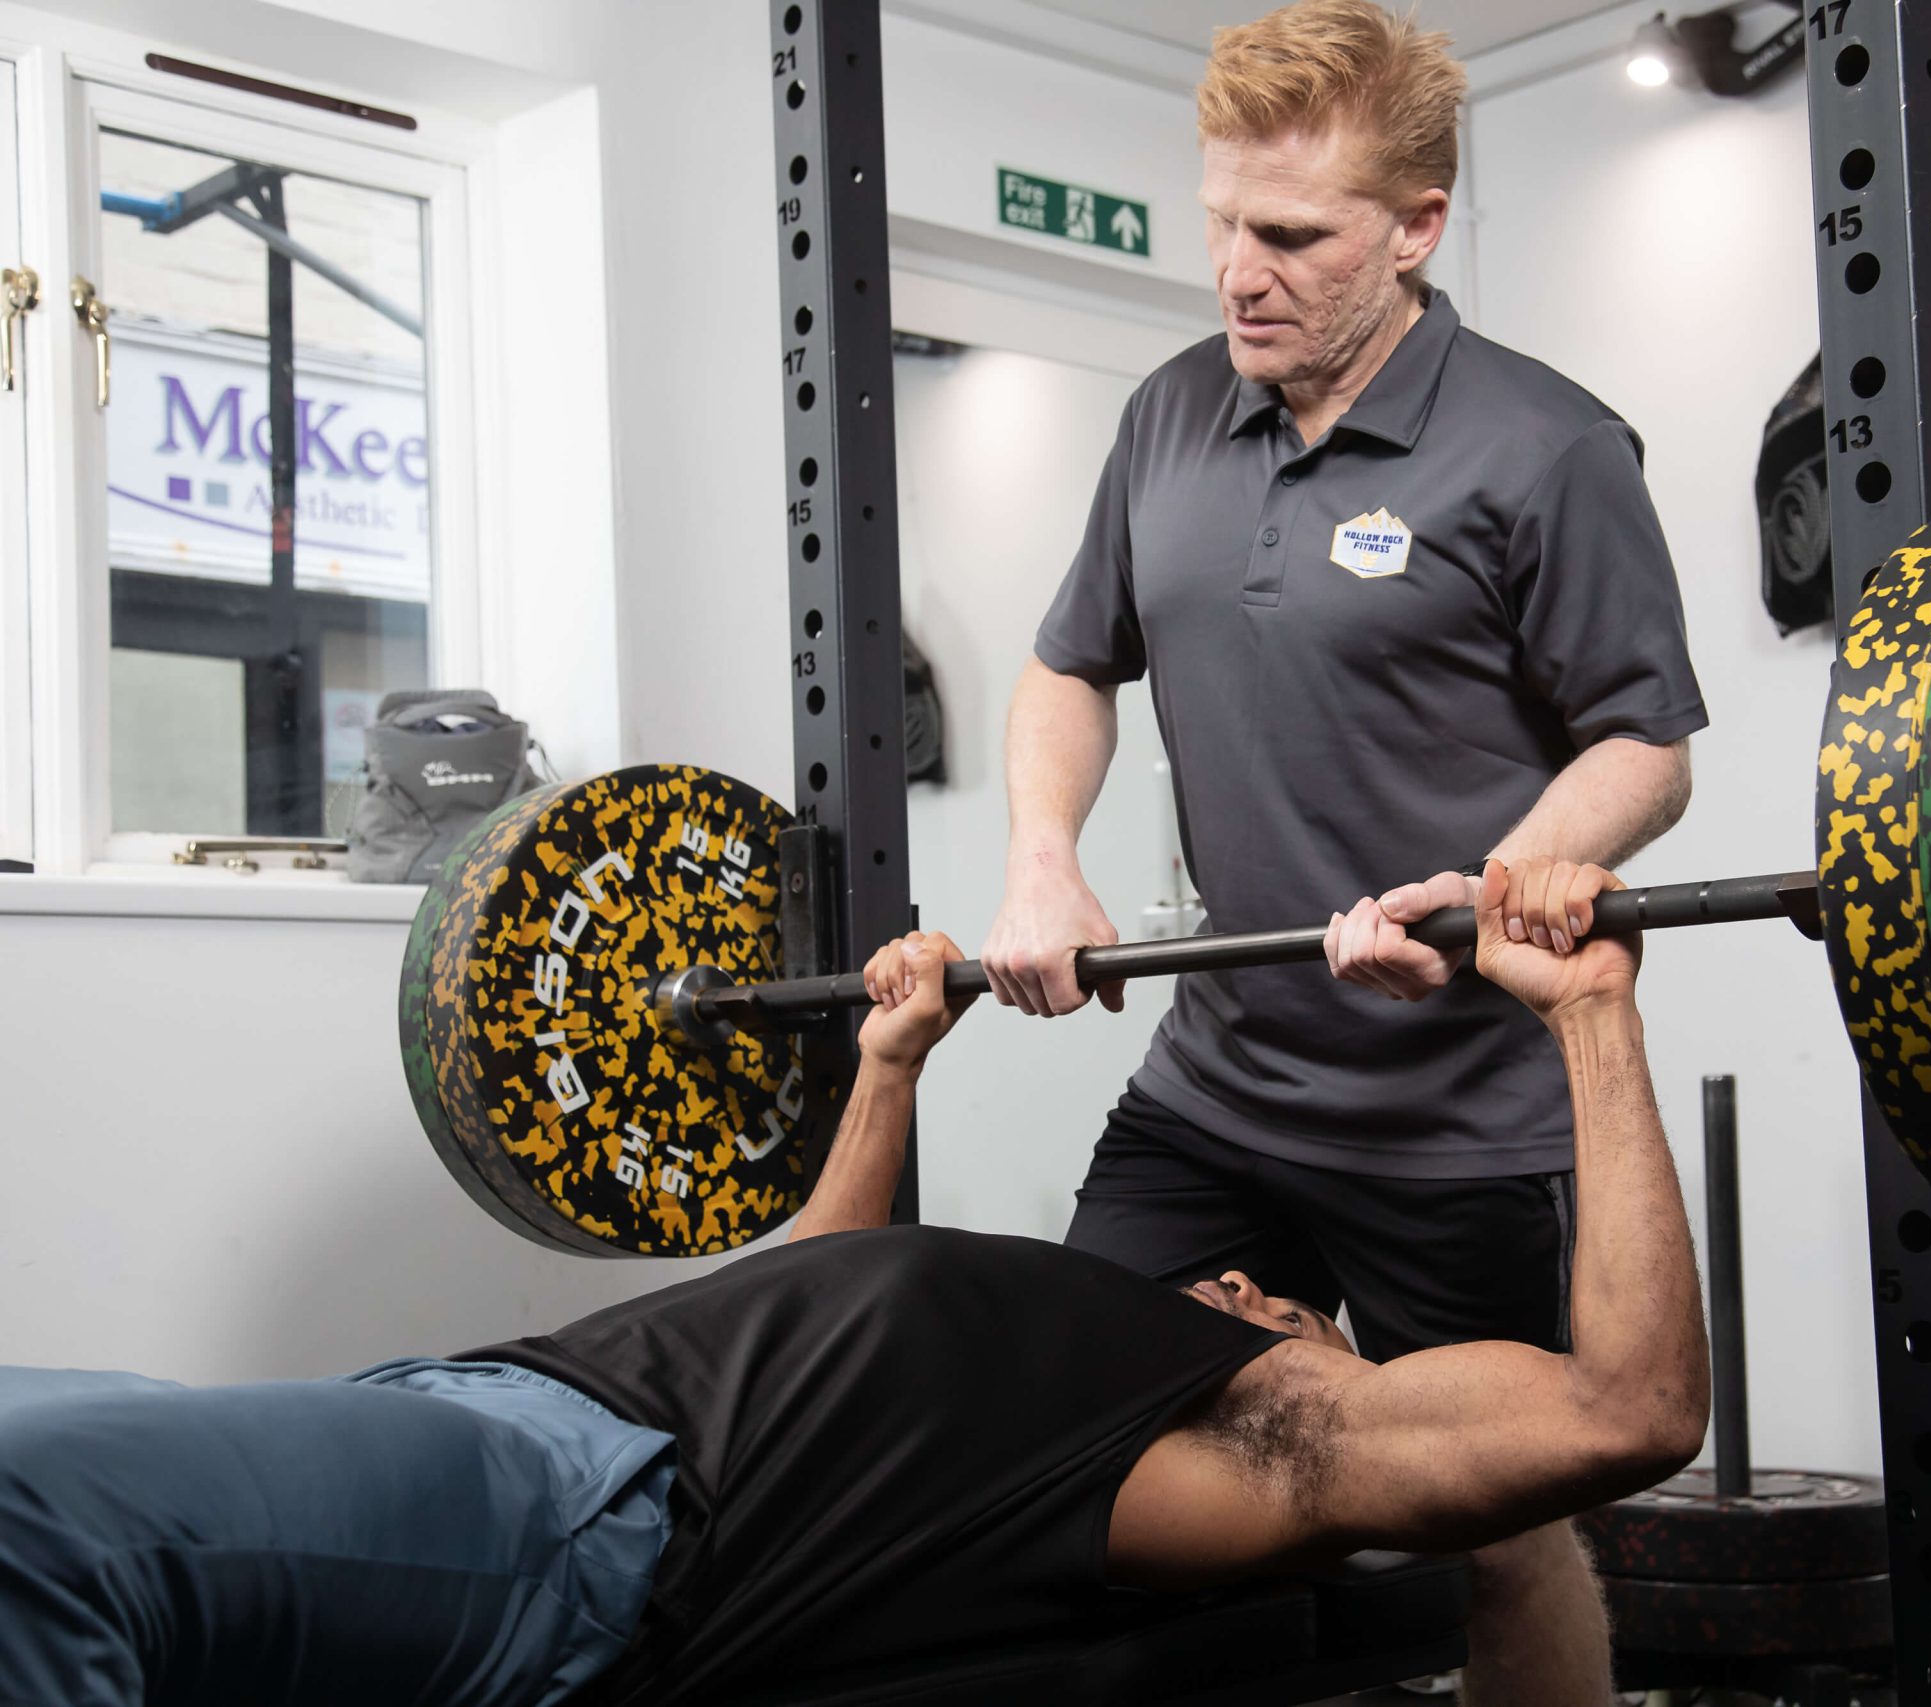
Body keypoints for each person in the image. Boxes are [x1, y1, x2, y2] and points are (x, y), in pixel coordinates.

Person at [0, 859, 1705, 1707]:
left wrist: (1592, 1018)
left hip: (561, 1504)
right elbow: (818, 1275)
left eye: (1298, 1314)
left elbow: (1628, 1410)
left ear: (1326, 1379)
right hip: (485, 1415)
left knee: (38, 1522)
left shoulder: (1232, 1446)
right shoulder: (1029, 1367)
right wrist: (891, 1069)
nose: (1262, 1280)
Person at [981, 4, 1706, 1697]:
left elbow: (1646, 745)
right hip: (1218, 1090)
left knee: (1498, 1531)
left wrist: (1504, 878)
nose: (1238, 270)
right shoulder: (1169, 414)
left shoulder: (1549, 448)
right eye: (1220, 220)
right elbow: (1069, 662)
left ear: (1416, 230)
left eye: (1291, 236)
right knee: (1066, 1456)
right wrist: (1041, 857)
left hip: (1456, 1118)